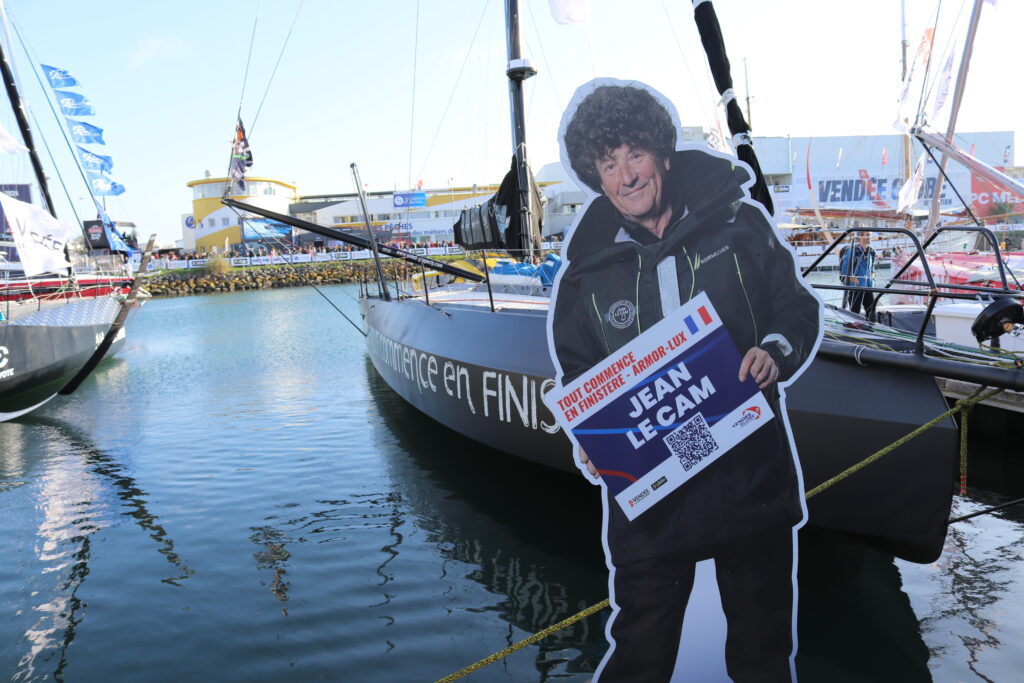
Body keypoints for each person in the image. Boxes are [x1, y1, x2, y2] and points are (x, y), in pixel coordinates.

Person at [550, 83, 821, 682]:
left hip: (750, 479)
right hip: (653, 498)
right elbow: (580, 370)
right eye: (608, 164)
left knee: (763, 655)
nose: (625, 176)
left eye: (634, 155)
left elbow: (796, 310)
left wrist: (775, 351)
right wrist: (589, 436)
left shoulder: (742, 225)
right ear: (597, 178)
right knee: (641, 658)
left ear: (663, 156)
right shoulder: (586, 274)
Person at [839, 233, 877, 316]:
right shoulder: (853, 250)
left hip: (868, 285)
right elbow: (845, 266)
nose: (868, 237)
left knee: (871, 309)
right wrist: (850, 277)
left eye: (870, 235)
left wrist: (873, 278)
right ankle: (854, 326)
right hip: (856, 285)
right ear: (860, 236)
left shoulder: (872, 251)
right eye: (866, 235)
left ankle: (869, 326)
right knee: (855, 310)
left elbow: (872, 267)